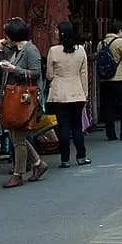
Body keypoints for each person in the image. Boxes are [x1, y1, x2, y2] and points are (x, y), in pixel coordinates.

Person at [0, 18, 47, 188]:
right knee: (17, 136)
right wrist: (1, 49)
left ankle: (18, 174)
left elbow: (36, 74)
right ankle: (38, 164)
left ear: (13, 35)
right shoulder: (15, 49)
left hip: (24, 99)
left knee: (18, 137)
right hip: (14, 98)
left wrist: (14, 70)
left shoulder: (30, 50)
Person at [45, 21, 91, 168]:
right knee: (77, 126)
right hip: (77, 92)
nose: (55, 33)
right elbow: (84, 74)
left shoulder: (53, 51)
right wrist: (85, 93)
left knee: (63, 127)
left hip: (59, 93)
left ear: (62, 33)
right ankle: (81, 156)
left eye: (57, 30)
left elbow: (49, 75)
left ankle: (65, 159)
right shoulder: (81, 50)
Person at [98, 19, 122, 140]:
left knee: (109, 107)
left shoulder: (101, 43)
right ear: (120, 31)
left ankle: (110, 134)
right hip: (119, 78)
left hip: (105, 80)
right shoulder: (120, 42)